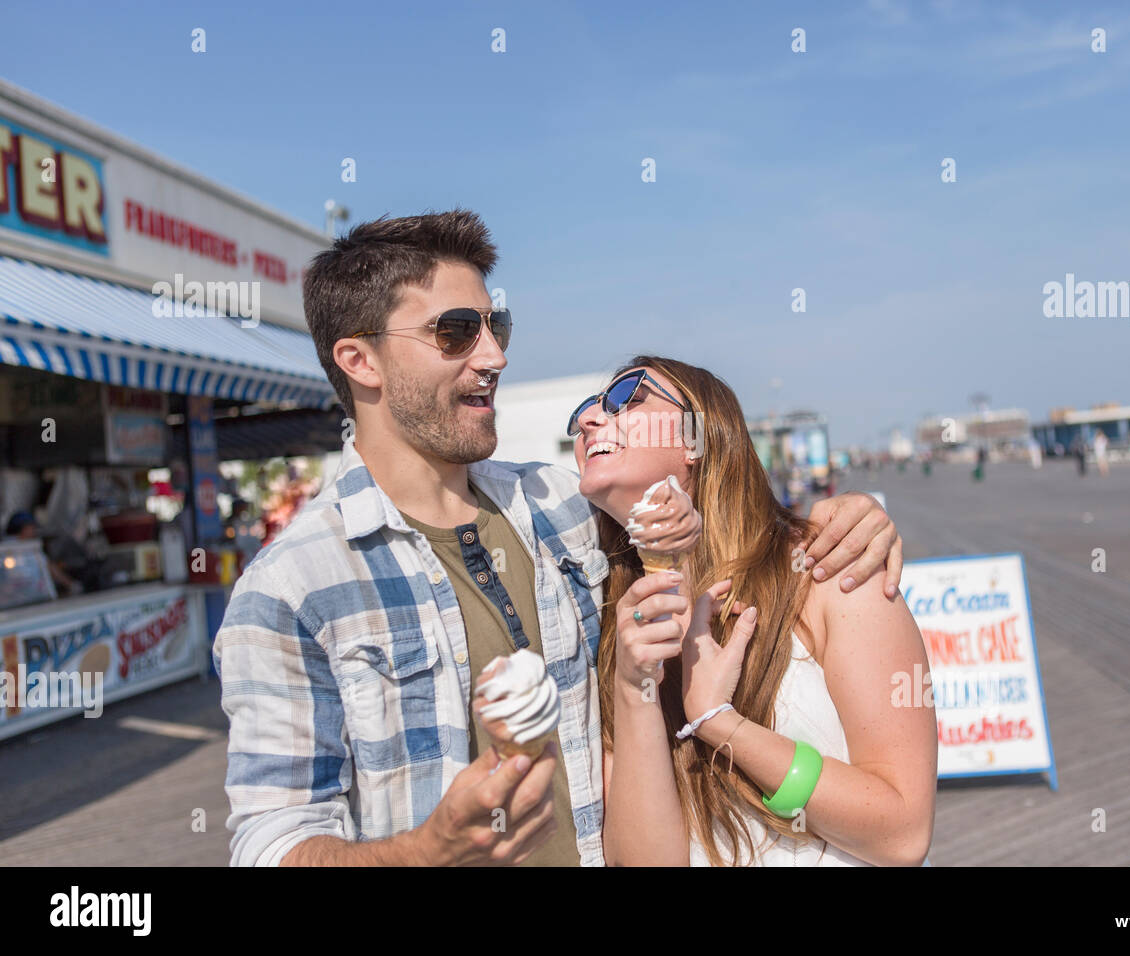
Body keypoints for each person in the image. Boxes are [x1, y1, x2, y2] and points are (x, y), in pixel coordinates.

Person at [212, 211, 906, 867]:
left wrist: (844, 517)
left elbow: (714, 512)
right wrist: (425, 851)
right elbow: (272, 841)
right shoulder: (290, 587)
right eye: (455, 332)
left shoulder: (559, 508)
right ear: (360, 361)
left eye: (496, 326)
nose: (493, 356)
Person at [574, 357, 936, 866]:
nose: (591, 419)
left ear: (697, 440)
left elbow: (901, 834)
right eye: (585, 411)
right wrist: (636, 688)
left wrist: (721, 724)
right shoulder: (611, 621)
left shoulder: (831, 571)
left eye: (627, 399)